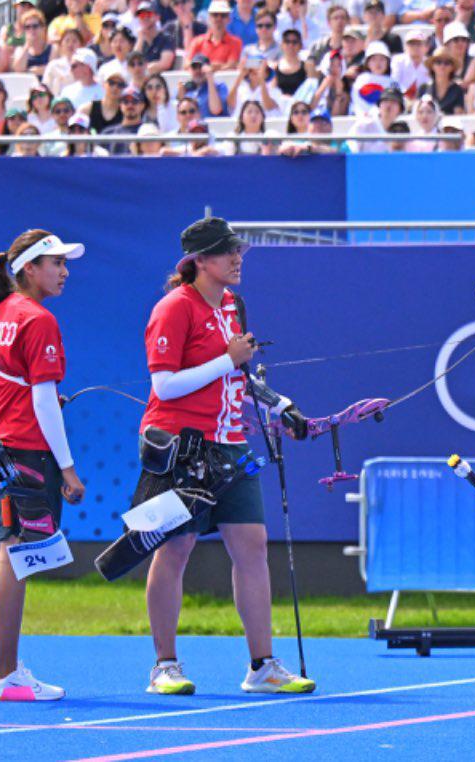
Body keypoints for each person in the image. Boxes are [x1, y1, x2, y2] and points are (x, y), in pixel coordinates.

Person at [133, 217, 315, 696]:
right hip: (181, 446)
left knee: (252, 545)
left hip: (231, 443)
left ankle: (263, 665)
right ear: (198, 261)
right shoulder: (173, 308)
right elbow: (164, 385)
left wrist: (282, 405)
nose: (237, 258)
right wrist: (227, 360)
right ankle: (164, 666)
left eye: (238, 250)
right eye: (225, 252)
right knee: (176, 548)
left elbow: (235, 376)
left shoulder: (233, 304)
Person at [0, 230, 86, 702]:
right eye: (55, 263)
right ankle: (5, 675)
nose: (64, 271)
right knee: (15, 557)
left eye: (65, 263)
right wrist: (66, 469)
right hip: (26, 455)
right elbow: (44, 401)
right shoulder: (38, 319)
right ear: (29, 269)